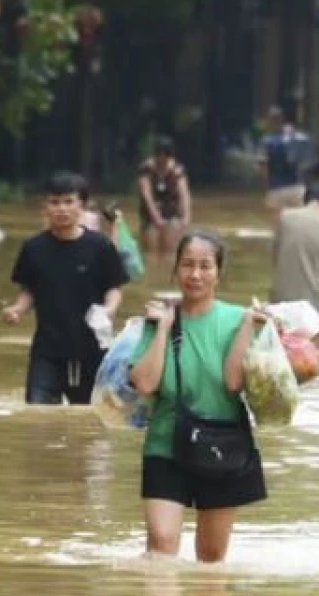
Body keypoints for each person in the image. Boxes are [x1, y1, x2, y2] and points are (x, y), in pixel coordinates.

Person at [128, 230, 267, 563]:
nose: (195, 275)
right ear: (175, 270)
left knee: (211, 558)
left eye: (205, 266)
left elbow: (233, 383)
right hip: (166, 443)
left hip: (224, 446)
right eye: (187, 265)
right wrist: (162, 328)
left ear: (219, 273)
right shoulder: (157, 319)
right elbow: (145, 383)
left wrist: (250, 326)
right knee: (160, 546)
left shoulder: (238, 320)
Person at [2, 171, 130, 404]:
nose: (61, 209)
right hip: (47, 351)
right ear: (45, 207)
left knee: (89, 419)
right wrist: (18, 310)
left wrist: (109, 310)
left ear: (82, 205)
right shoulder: (33, 248)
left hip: (91, 350)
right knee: (38, 415)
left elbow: (114, 288)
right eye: (55, 202)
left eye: (68, 202)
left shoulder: (99, 247)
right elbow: (30, 288)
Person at [271, 181, 319, 346]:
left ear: (305, 201)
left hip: (283, 302)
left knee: (283, 356)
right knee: (311, 360)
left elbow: (275, 256)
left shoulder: (285, 218)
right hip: (318, 303)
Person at [138, 136, 191, 265]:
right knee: (151, 251)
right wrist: (156, 217)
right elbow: (147, 195)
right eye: (160, 155)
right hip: (150, 215)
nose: (162, 159)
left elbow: (184, 194)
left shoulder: (177, 170)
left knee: (170, 252)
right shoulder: (146, 169)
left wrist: (186, 216)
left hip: (171, 213)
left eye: (165, 156)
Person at [258, 106, 313, 217]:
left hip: (277, 187)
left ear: (270, 121)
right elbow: (308, 163)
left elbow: (263, 166)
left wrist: (265, 184)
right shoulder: (298, 138)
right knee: (300, 219)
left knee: (278, 221)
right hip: (298, 187)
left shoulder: (267, 141)